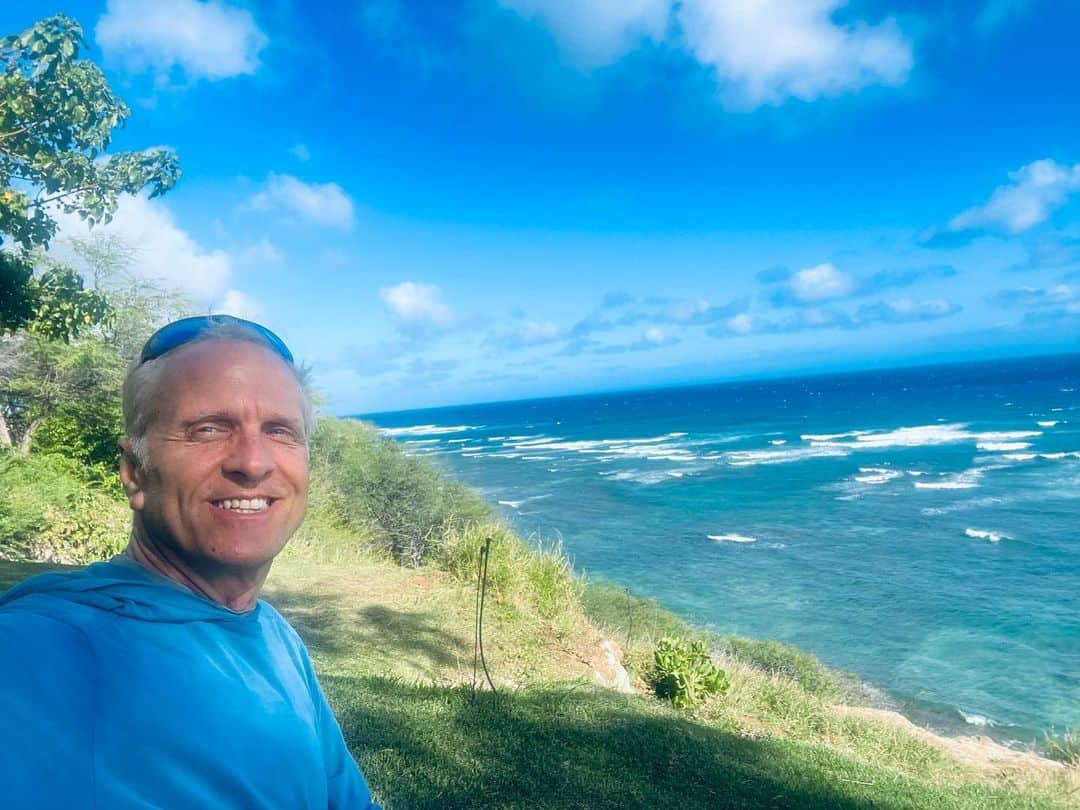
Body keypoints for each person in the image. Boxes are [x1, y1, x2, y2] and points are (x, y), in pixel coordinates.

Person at [0, 315, 379, 809]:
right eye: (208, 429)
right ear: (135, 473)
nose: (253, 461)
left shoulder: (277, 639)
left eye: (280, 430)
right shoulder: (40, 650)